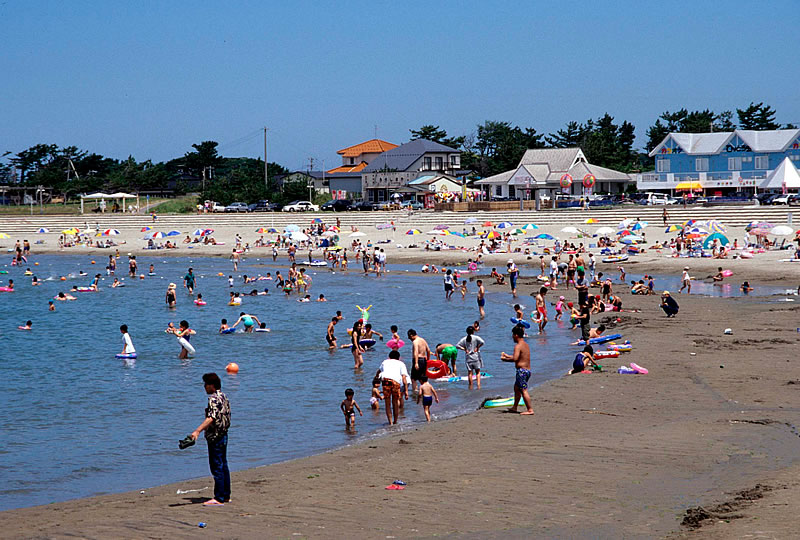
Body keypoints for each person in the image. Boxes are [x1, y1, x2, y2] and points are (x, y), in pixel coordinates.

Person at [189, 373, 231, 506]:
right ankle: (225, 495)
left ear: (211, 386)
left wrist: (197, 431)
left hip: (215, 436)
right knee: (223, 465)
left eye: (206, 384)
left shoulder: (213, 399)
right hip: (224, 434)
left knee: (216, 467)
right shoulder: (223, 396)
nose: (204, 387)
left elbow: (211, 418)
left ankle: (218, 498)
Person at [500, 325, 533, 415]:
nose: (512, 337)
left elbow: (515, 359)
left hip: (521, 371)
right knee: (516, 388)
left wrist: (504, 359)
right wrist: (507, 356)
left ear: (516, 335)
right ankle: (515, 407)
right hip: (527, 371)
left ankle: (530, 409)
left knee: (523, 390)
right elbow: (519, 357)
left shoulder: (518, 346)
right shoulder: (525, 345)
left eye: (513, 335)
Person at [376, 350, 410, 425]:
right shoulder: (401, 363)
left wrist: (376, 377)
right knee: (395, 402)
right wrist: (406, 391)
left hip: (386, 381)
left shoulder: (385, 362)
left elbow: (378, 371)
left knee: (387, 403)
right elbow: (404, 378)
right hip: (396, 382)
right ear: (398, 358)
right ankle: (395, 421)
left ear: (389, 357)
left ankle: (390, 422)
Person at [408, 328, 431, 394]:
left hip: (418, 360)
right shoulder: (423, 340)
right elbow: (428, 350)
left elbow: (416, 352)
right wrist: (428, 360)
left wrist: (416, 363)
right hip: (424, 360)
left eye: (409, 338)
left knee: (413, 379)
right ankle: (427, 391)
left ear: (411, 335)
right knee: (422, 379)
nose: (410, 339)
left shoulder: (415, 341)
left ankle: (415, 393)